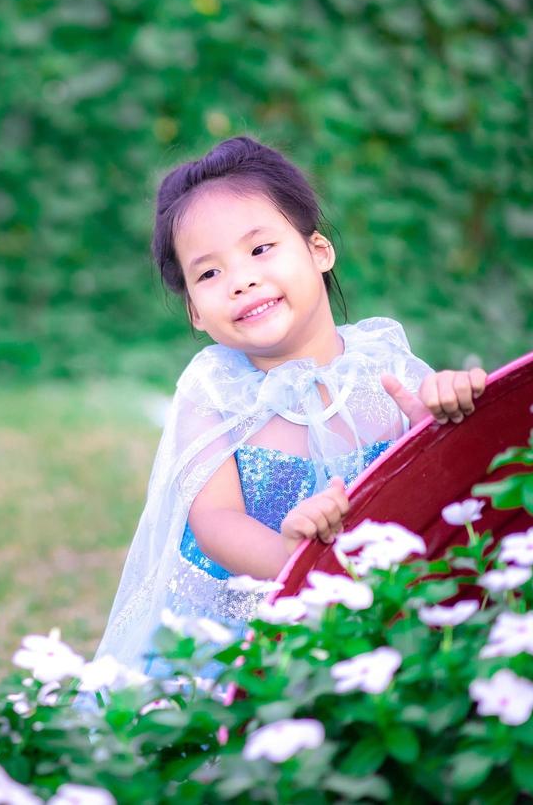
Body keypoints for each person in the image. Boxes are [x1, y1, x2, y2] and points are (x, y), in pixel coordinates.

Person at [94, 136, 487, 675]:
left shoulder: (386, 369)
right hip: (253, 626)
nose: (242, 280)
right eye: (209, 274)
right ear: (194, 312)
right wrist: (302, 563)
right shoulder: (214, 391)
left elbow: (438, 495)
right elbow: (215, 518)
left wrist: (441, 425)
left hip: (384, 613)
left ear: (319, 251)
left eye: (260, 250)